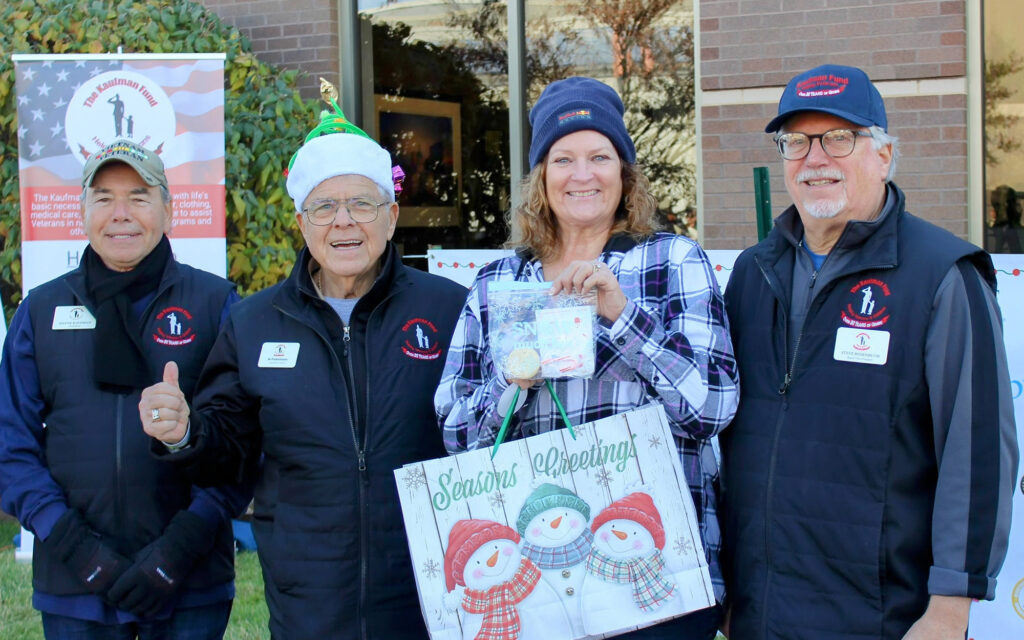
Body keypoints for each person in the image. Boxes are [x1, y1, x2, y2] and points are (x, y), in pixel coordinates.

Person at [139, 89, 468, 638]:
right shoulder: (253, 322)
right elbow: (229, 454)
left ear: (390, 217)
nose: (344, 222)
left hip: (431, 586)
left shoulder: (448, 308)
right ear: (301, 222)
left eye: (362, 204)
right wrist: (185, 432)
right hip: (308, 594)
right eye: (324, 206)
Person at [719, 64, 1019, 640]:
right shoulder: (751, 274)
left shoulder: (943, 276)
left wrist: (949, 610)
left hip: (884, 619)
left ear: (883, 155)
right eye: (797, 142)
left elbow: (977, 452)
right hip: (760, 614)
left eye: (839, 138)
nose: (816, 159)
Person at [435, 76, 740, 640]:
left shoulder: (672, 261)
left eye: (600, 156)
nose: (582, 174)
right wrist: (514, 377)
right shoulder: (498, 284)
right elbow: (455, 434)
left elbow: (712, 408)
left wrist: (621, 316)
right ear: (541, 178)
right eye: (563, 158)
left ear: (624, 174)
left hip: (657, 570)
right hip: (534, 583)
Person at [0, 139, 249, 639]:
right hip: (74, 581)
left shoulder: (215, 304)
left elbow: (243, 443)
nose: (121, 214)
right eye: (103, 197)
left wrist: (177, 551)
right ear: (83, 212)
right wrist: (79, 551)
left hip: (191, 579)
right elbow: (11, 445)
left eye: (138, 196)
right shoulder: (41, 311)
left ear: (168, 210)